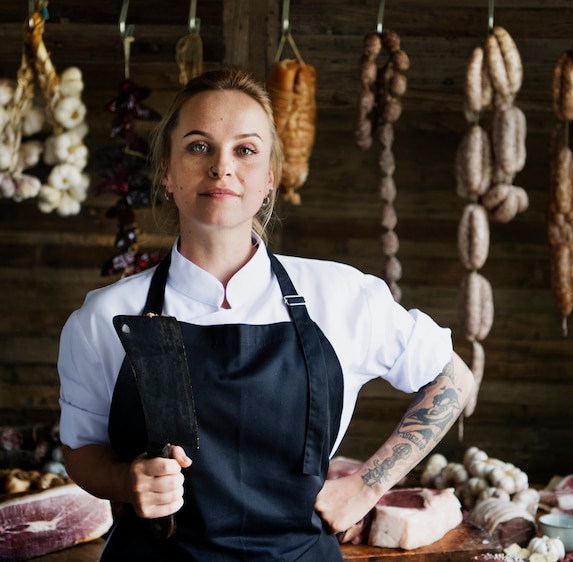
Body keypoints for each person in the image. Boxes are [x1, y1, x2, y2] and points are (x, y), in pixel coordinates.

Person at [58, 67, 474, 561]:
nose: (221, 168)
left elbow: (453, 378)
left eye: (246, 150)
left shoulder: (340, 294)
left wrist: (366, 486)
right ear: (166, 170)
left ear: (270, 177)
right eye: (198, 146)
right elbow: (81, 453)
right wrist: (125, 481)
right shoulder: (103, 316)